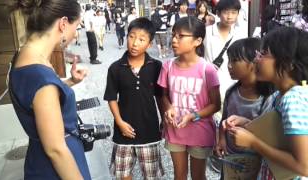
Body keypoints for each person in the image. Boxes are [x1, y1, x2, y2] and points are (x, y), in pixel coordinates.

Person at [8, 0, 91, 179]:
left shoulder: (23, 55)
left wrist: (69, 82)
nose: (76, 34)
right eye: (76, 26)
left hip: (37, 157)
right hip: (57, 168)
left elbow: (38, 99)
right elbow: (56, 149)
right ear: (63, 23)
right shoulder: (41, 75)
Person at [224, 27, 308, 179]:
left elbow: (303, 166)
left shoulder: (293, 99)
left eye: (263, 54)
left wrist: (253, 142)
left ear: (288, 63)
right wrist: (247, 124)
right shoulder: (280, 96)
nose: (256, 59)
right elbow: (280, 136)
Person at [157, 16, 221, 180]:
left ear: (197, 41)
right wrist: (168, 107)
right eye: (173, 35)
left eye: (180, 36)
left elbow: (215, 105)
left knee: (198, 176)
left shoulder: (207, 70)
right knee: (179, 175)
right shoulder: (168, 66)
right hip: (175, 128)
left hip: (200, 130)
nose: (174, 40)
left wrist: (194, 115)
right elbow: (163, 95)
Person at [104, 17, 164, 180]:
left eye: (141, 39)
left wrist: (163, 119)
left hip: (149, 130)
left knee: (151, 175)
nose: (135, 43)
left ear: (149, 44)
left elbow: (160, 96)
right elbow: (111, 98)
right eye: (131, 36)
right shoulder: (115, 68)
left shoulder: (156, 66)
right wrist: (120, 122)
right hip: (124, 131)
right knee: (123, 174)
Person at [215, 38, 274, 179]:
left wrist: (245, 124)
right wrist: (221, 140)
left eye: (234, 61)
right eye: (228, 61)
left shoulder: (267, 97)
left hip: (254, 161)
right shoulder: (231, 92)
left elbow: (267, 135)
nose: (229, 66)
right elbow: (224, 120)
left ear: (254, 63)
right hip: (230, 156)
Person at [204, 0, 246, 97]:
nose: (230, 16)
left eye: (234, 12)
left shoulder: (240, 35)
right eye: (226, 12)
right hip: (210, 84)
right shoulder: (207, 32)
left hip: (233, 85)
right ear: (218, 13)